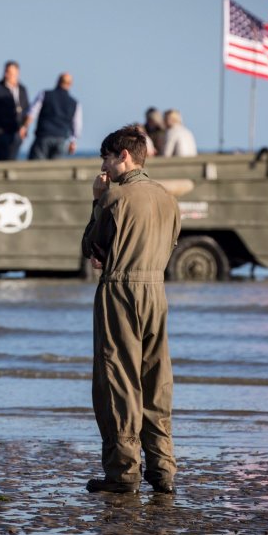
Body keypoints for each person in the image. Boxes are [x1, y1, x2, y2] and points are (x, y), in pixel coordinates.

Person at [81, 125, 181, 495]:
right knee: (157, 379)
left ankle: (123, 471)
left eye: (107, 157)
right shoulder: (168, 198)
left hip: (120, 289)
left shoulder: (114, 196)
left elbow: (91, 245)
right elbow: (169, 244)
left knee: (118, 380)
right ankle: (162, 469)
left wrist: (96, 199)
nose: (104, 166)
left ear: (124, 155)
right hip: (156, 289)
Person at [23, 72, 82, 160]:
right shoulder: (75, 103)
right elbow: (77, 125)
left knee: (36, 168)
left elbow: (32, 113)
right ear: (70, 84)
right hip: (61, 139)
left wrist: (25, 127)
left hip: (43, 136)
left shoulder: (44, 94)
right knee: (55, 171)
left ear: (58, 81)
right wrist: (73, 142)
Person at [0, 60, 29, 161]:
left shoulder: (22, 89)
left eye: (10, 72)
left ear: (17, 73)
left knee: (12, 158)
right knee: (2, 159)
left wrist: (25, 127)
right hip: (1, 132)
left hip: (17, 131)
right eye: (6, 71)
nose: (7, 75)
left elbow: (27, 110)